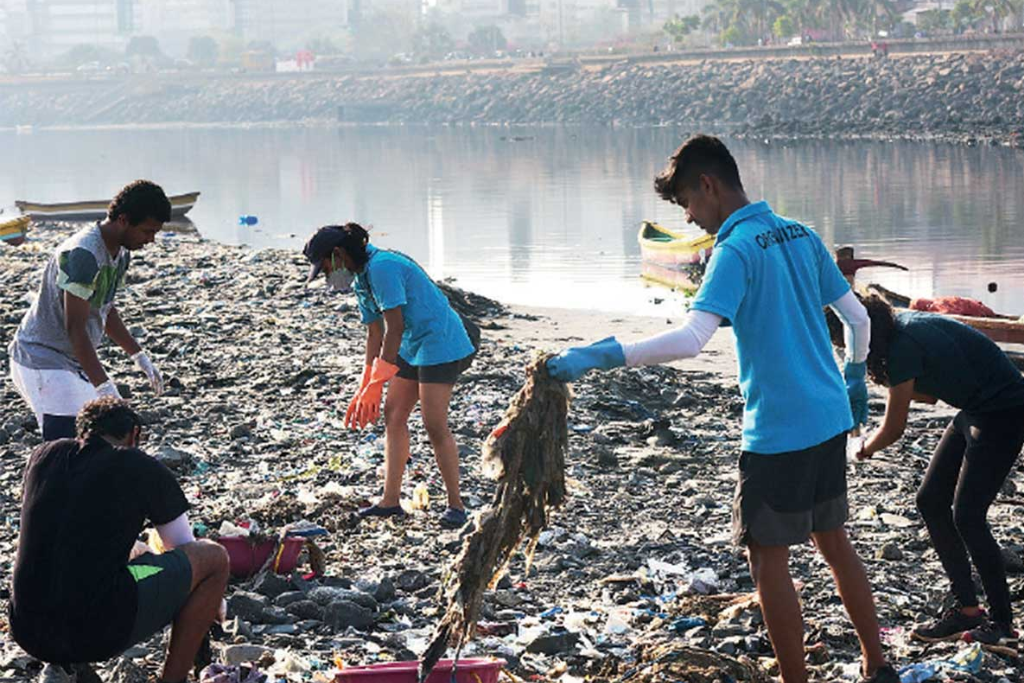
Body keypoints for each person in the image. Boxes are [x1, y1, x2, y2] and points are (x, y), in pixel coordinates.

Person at [546, 135, 898, 683]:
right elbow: (859, 319)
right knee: (834, 541)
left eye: (688, 202)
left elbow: (691, 340)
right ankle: (878, 664)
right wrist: (854, 377)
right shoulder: (802, 233)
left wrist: (605, 354)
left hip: (779, 429)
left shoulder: (733, 250)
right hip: (830, 415)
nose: (690, 217)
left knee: (767, 558)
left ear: (708, 185)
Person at [828, 294, 1024, 647]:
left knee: (968, 516)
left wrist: (861, 448)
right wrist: (887, 388)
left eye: (845, 344)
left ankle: (1002, 624)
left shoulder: (902, 346)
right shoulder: (900, 327)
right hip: (976, 410)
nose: (848, 352)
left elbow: (894, 429)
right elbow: (930, 396)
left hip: (1005, 413)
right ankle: (967, 609)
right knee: (931, 500)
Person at [9, 398, 230, 683]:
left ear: (82, 433)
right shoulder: (137, 464)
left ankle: (67, 667)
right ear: (134, 434)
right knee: (213, 558)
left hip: (27, 628)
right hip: (98, 630)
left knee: (71, 564)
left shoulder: (43, 456)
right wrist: (215, 602)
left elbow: (66, 537)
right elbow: (184, 547)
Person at [303, 223, 481, 529]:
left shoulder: (383, 267)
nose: (328, 275)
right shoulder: (361, 276)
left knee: (433, 423)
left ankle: (456, 505)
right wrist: (365, 387)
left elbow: (394, 327)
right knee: (393, 415)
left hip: (441, 340)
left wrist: (378, 382)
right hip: (412, 343)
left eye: (327, 268)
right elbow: (375, 333)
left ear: (338, 253)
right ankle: (390, 501)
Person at [8, 180, 170, 440]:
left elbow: (105, 307)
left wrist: (138, 354)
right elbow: (76, 328)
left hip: (71, 360)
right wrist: (104, 386)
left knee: (103, 437)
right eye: (147, 231)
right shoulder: (83, 254)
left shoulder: (120, 252)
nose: (151, 240)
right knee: (68, 444)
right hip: (41, 357)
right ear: (124, 220)